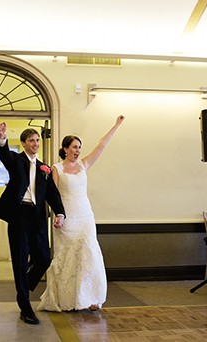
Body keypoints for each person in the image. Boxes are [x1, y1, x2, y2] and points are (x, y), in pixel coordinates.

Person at [38, 115, 125, 312]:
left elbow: (101, 145)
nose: (77, 150)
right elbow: (53, 195)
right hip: (67, 218)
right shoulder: (56, 169)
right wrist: (57, 215)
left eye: (79, 147)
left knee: (90, 254)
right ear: (66, 149)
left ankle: (92, 297)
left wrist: (116, 125)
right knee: (68, 258)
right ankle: (67, 298)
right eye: (74, 147)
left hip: (85, 215)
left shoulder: (84, 165)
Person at [0, 122, 66, 325]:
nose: (35, 143)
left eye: (37, 140)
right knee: (20, 260)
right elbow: (4, 155)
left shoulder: (44, 168)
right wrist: (1, 137)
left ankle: (23, 284)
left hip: (38, 216)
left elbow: (52, 193)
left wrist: (60, 212)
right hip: (19, 215)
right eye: (31, 140)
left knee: (43, 259)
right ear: (23, 143)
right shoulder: (16, 160)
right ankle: (25, 307)